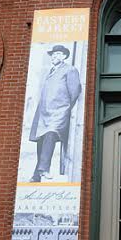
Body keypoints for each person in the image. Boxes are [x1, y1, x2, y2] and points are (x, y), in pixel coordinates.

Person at [29, 44, 81, 182]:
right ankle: (36, 175)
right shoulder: (51, 72)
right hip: (44, 112)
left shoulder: (70, 70)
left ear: (64, 56)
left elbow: (75, 91)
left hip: (59, 111)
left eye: (58, 54)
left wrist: (66, 108)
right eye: (53, 54)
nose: (54, 56)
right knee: (41, 139)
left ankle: (44, 169)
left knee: (51, 134)